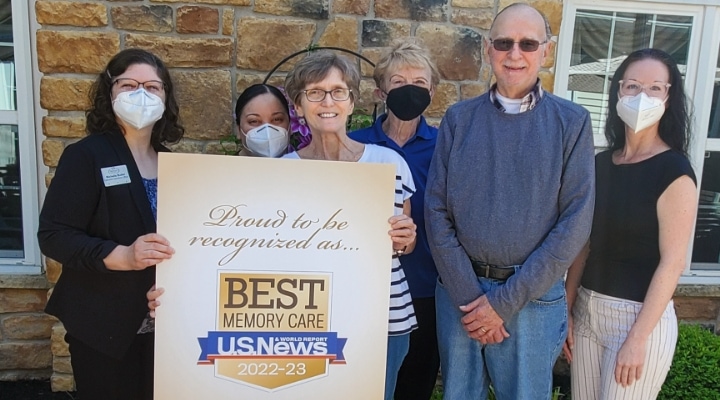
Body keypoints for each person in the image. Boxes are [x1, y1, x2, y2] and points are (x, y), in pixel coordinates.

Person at [424, 3, 595, 399]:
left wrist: (503, 303)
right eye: (504, 42)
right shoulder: (458, 120)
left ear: (546, 51)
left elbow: (575, 222)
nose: (514, 54)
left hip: (531, 301)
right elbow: (435, 211)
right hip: (459, 297)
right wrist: (471, 299)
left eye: (527, 43)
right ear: (488, 49)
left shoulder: (571, 124)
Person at [38, 48, 184, 400]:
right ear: (110, 91)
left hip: (164, 326)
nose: (141, 94)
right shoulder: (87, 155)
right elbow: (54, 235)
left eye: (152, 87)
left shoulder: (175, 164)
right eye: (129, 84)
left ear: (165, 96)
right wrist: (122, 255)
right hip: (103, 324)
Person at [281, 50, 418, 400]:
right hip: (306, 321)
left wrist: (406, 238)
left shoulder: (388, 163)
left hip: (382, 317)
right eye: (315, 92)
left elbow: (404, 245)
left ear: (352, 101)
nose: (328, 101)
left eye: (338, 91)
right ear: (298, 106)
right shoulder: (281, 172)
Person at [563, 48, 696, 400]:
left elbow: (673, 262)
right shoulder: (601, 164)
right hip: (588, 312)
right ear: (618, 92)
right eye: (633, 85)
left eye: (655, 88)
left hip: (637, 320)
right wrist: (568, 306)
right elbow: (583, 242)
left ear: (669, 98)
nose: (642, 96)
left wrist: (638, 339)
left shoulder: (675, 171)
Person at [348, 38, 441, 400]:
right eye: (399, 82)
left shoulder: (445, 147)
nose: (410, 90)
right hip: (365, 289)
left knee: (414, 385)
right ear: (380, 92)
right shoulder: (355, 146)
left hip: (425, 286)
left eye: (419, 83)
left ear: (432, 91)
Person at [233, 83, 292, 157]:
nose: (267, 130)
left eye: (276, 119)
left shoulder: (303, 167)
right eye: (254, 121)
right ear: (238, 130)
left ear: (290, 126)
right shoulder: (223, 168)